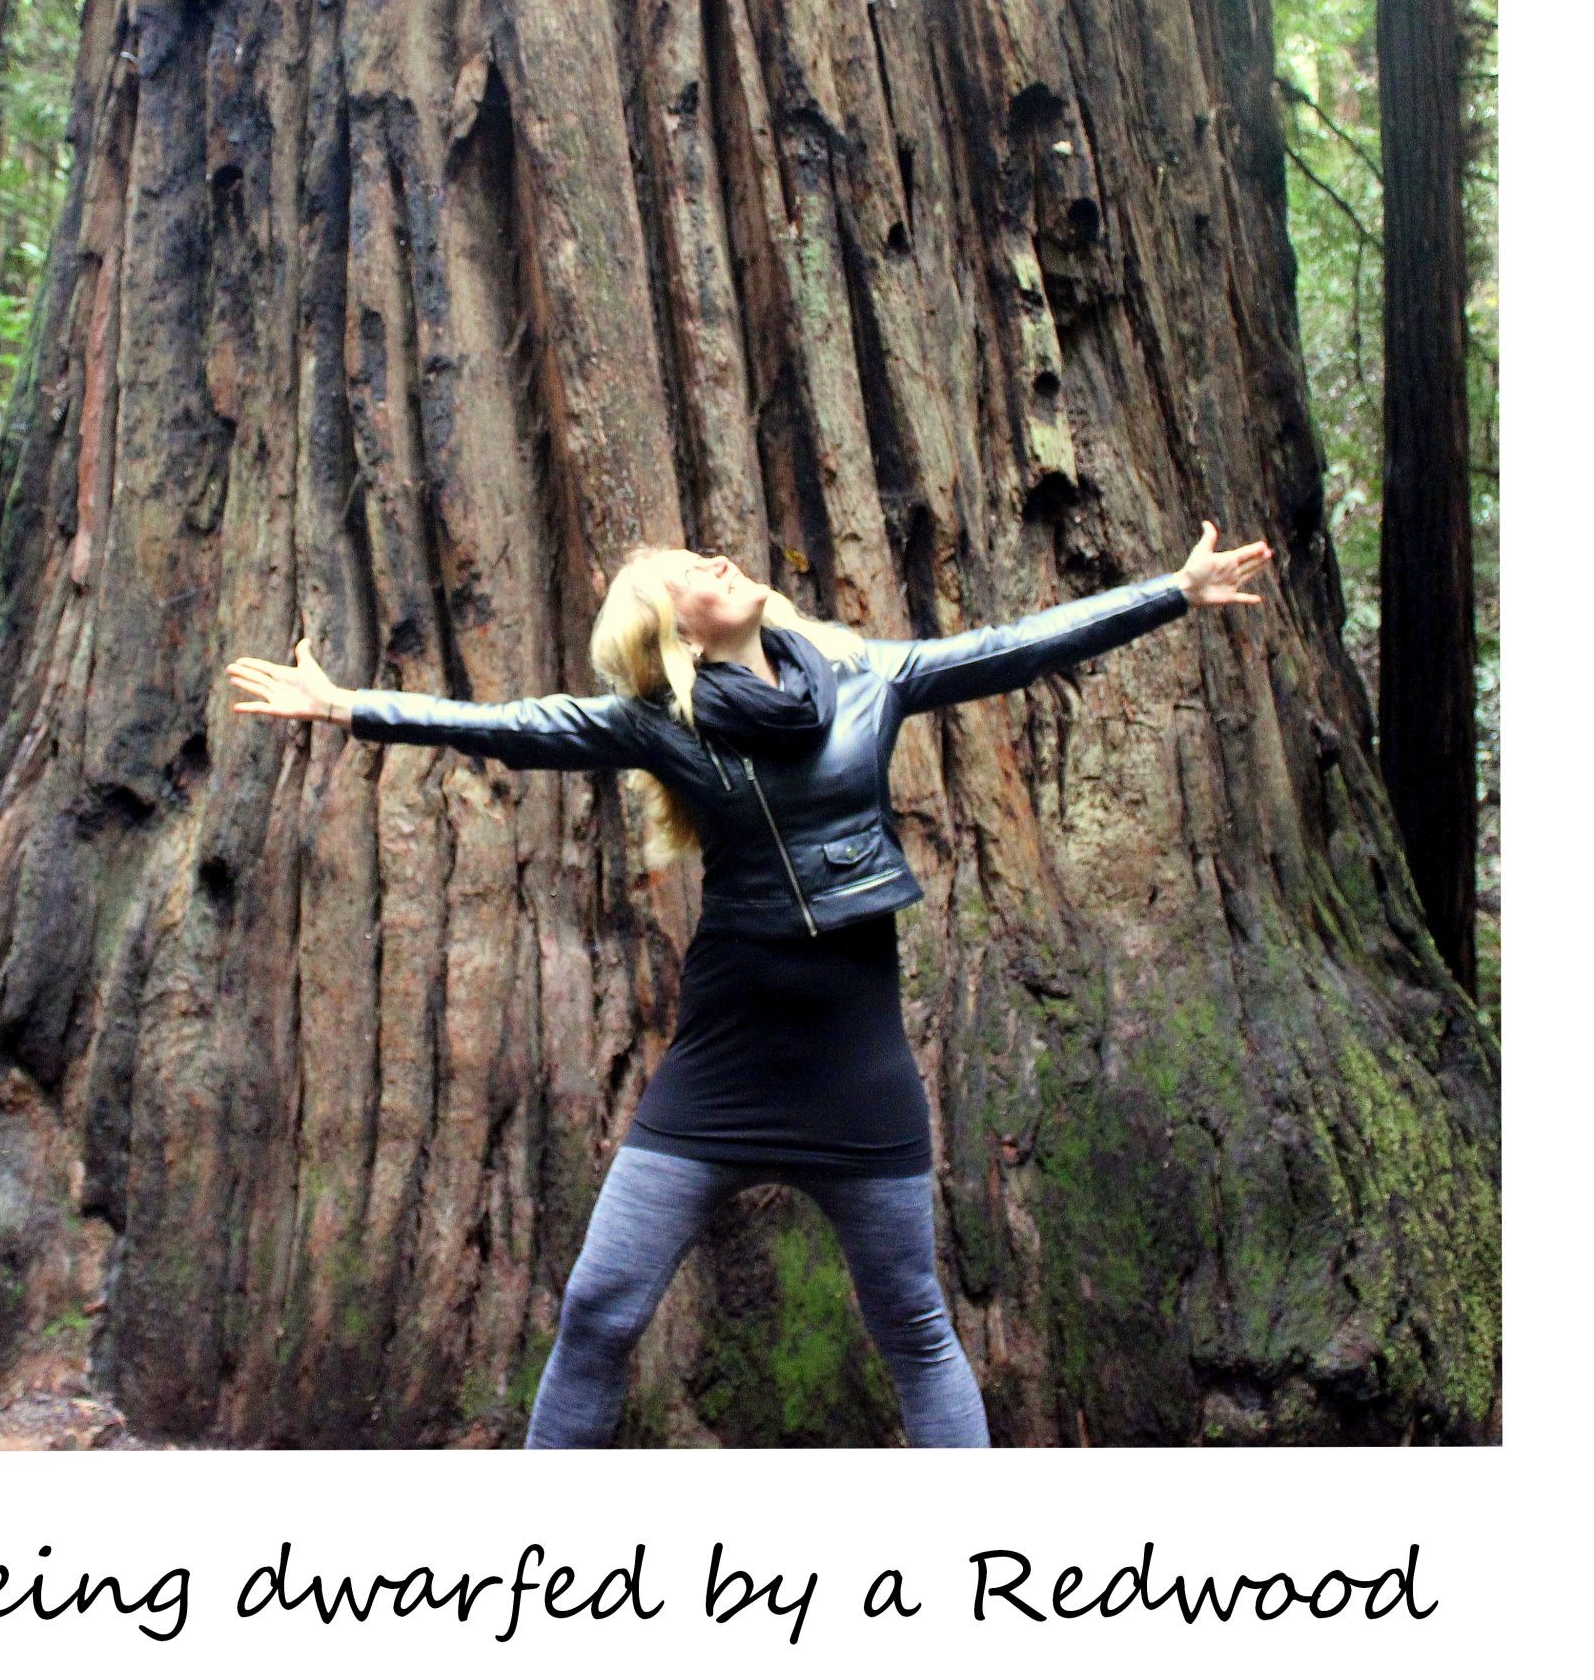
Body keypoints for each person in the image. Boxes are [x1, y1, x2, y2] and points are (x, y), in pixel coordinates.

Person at [226, 520, 1272, 1448]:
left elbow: (1008, 649)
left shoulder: (869, 674)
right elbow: (515, 724)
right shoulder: (655, 724)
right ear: (677, 633)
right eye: (691, 572)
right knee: (598, 1310)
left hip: (856, 1071)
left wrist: (1167, 594)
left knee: (912, 1325)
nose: (721, 560)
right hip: (719, 1077)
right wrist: (349, 707)